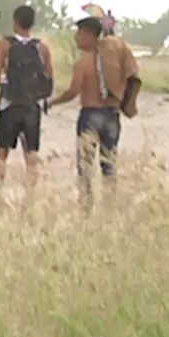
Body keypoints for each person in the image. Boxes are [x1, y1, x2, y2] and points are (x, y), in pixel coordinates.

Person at [46, 16, 139, 210]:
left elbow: (73, 91)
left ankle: (86, 207)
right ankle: (110, 206)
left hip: (90, 116)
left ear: (89, 35)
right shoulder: (111, 63)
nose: (76, 38)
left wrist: (53, 102)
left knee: (85, 166)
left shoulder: (83, 63)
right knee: (109, 165)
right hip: (112, 117)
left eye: (79, 34)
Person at [0, 5, 54, 187]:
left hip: (9, 105)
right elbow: (49, 78)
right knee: (31, 157)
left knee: (2, 154)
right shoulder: (41, 47)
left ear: (15, 21)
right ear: (32, 23)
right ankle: (30, 193)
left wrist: (7, 84)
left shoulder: (5, 44)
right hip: (32, 106)